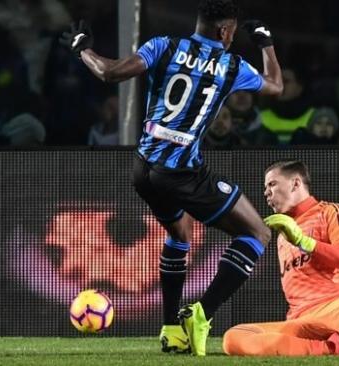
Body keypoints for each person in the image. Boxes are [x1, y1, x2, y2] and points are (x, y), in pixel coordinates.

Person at [60, 0, 283, 356]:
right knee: (257, 233)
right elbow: (275, 86)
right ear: (225, 31)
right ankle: (202, 314)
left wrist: (83, 49)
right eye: (232, 32)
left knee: (180, 233)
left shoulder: (162, 45)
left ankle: (170, 330)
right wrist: (265, 43)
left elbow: (109, 72)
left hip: (144, 169)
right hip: (182, 171)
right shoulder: (231, 64)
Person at [223, 160, 339, 356]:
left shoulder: (331, 211)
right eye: (265, 187)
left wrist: (304, 242)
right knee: (234, 337)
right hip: (303, 320)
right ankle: (335, 348)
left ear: (296, 184)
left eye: (272, 184)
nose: (266, 193)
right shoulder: (282, 235)